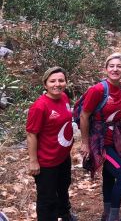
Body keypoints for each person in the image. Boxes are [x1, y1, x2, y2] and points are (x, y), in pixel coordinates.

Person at [79, 54, 121, 221]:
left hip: (114, 139)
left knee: (109, 176)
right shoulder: (98, 90)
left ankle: (107, 214)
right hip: (99, 142)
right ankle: (113, 218)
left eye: (119, 66)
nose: (115, 69)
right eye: (111, 66)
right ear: (106, 69)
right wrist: (85, 144)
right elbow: (84, 116)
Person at [26, 67, 77, 221]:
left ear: (66, 82)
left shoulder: (64, 98)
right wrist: (33, 161)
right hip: (46, 161)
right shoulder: (40, 106)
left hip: (62, 157)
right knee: (47, 199)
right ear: (45, 84)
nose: (57, 84)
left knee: (63, 188)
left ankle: (65, 215)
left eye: (61, 80)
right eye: (52, 81)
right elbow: (31, 134)